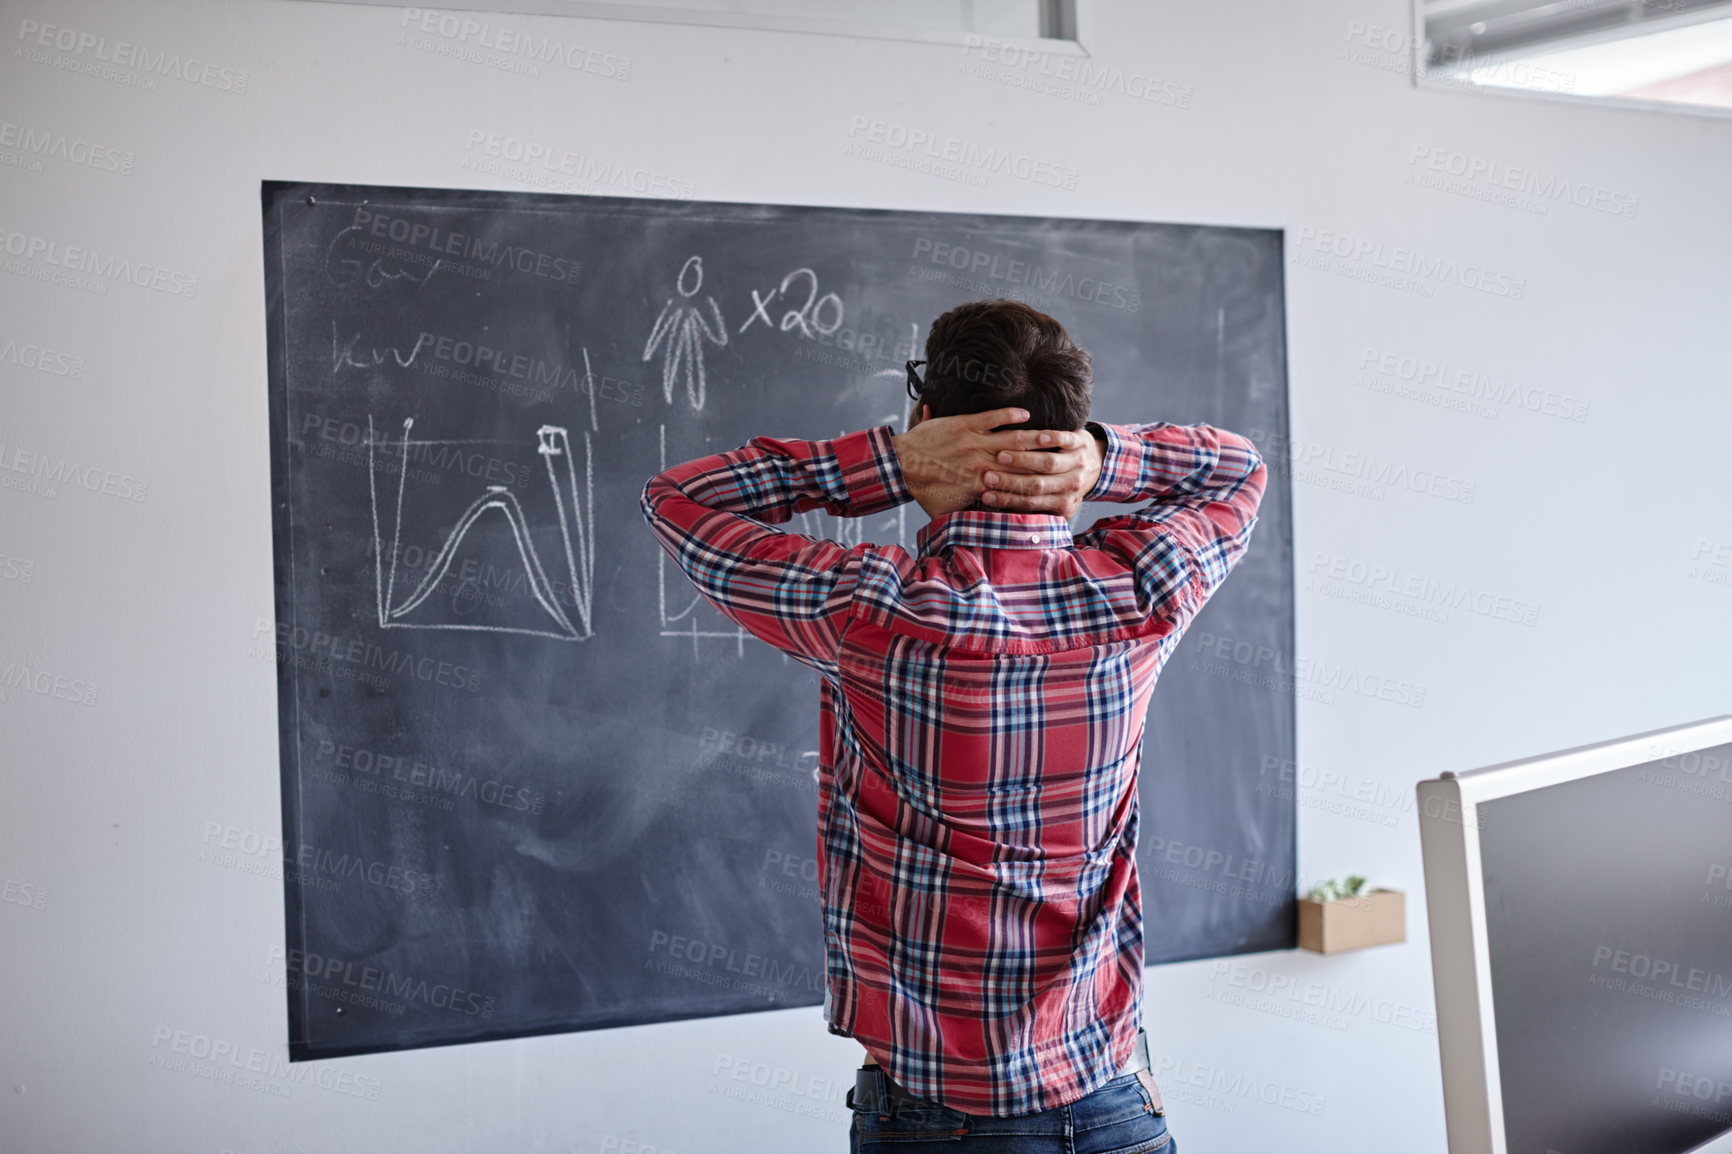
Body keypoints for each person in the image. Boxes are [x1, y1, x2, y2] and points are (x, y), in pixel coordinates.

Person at [640, 299, 1267, 1152]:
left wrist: (883, 464)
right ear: (1068, 432)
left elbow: (679, 499)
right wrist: (1105, 460)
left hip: (935, 1124)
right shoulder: (1139, 595)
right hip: (1112, 1106)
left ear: (926, 419)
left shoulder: (875, 612)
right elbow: (1238, 472)